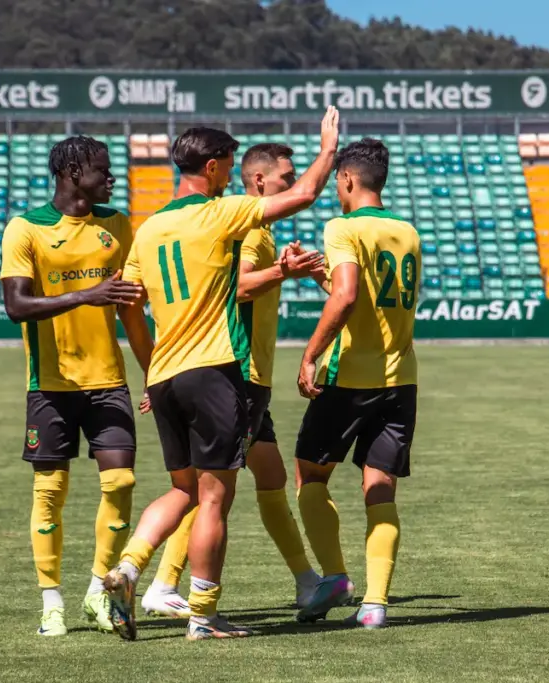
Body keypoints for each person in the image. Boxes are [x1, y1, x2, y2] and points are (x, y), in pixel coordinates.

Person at [103, 107, 341, 641]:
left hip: (164, 375)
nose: (232, 176)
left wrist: (150, 369)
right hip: (214, 372)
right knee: (214, 499)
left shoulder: (149, 228)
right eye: (228, 167)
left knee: (184, 490)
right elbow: (301, 196)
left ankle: (128, 570)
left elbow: (129, 308)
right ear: (211, 168)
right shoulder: (219, 213)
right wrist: (328, 150)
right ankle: (204, 617)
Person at [139, 143, 325, 619]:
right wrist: (284, 271)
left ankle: (307, 582)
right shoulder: (241, 225)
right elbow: (236, 287)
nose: (288, 182)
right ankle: (165, 584)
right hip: (234, 371)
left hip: (225, 371)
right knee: (212, 487)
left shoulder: (177, 225)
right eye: (284, 177)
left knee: (269, 475)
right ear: (259, 182)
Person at [0, 135, 144, 636]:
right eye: (102, 170)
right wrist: (87, 294)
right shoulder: (26, 228)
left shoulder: (117, 224)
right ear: (72, 171)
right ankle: (51, 601)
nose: (111, 178)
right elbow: (16, 305)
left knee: (121, 483)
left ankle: (96, 594)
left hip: (109, 380)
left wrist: (154, 369)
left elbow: (130, 305)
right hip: (51, 384)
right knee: (50, 491)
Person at [293, 137, 422, 629]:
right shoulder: (407, 231)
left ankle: (334, 576)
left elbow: (347, 298)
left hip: (350, 377)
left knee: (309, 474)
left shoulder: (342, 226)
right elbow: (368, 294)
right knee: (380, 489)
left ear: (346, 179)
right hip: (400, 378)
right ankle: (376, 605)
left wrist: (311, 353)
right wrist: (319, 278)